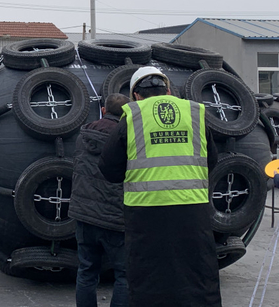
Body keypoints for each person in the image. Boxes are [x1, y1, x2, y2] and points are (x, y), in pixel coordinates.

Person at [98, 67, 222, 307]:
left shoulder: (132, 116)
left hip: (146, 214)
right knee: (198, 276)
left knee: (149, 280)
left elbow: (108, 168)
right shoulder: (194, 112)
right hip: (192, 210)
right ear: (167, 90)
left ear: (136, 94)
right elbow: (212, 160)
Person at [69, 93, 130, 307]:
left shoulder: (82, 136)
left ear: (104, 110)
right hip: (115, 217)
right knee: (124, 275)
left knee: (86, 272)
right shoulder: (127, 137)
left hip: (84, 215)